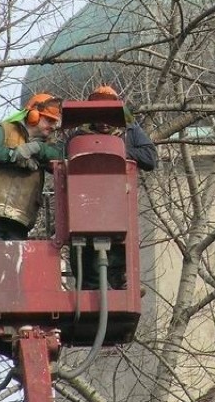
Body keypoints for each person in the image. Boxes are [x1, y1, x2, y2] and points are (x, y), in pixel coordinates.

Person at [0, 93, 64, 289]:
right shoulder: (4, 130)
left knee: (13, 270)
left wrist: (36, 148)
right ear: (33, 115)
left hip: (20, 217)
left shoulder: (47, 147)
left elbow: (62, 158)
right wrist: (13, 155)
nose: (53, 126)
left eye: (55, 122)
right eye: (49, 120)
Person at [67, 85, 157, 289]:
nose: (104, 123)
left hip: (117, 199)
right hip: (86, 202)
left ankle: (119, 282)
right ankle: (91, 285)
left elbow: (150, 159)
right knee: (83, 246)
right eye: (99, 117)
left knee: (118, 244)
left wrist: (118, 151)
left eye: (109, 116)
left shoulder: (130, 131)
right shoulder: (78, 135)